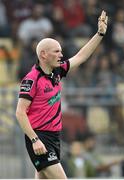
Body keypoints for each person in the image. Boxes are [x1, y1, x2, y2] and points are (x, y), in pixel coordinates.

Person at [16, 10, 108, 179]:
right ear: (43, 55)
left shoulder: (57, 72)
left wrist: (100, 33)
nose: (61, 55)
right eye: (57, 52)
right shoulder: (31, 79)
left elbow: (81, 56)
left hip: (54, 137)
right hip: (40, 137)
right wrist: (35, 140)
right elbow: (20, 112)